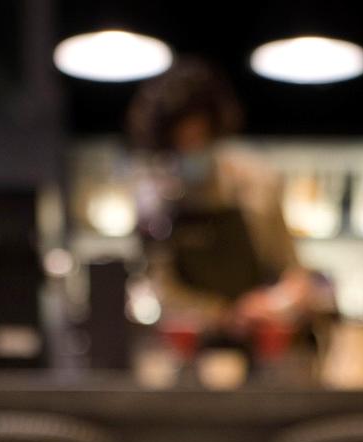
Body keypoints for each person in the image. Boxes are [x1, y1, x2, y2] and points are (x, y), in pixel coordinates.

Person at [126, 57, 330, 335]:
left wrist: (274, 304)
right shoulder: (156, 202)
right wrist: (221, 313)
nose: (192, 149)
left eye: (199, 138)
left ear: (216, 131)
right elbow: (161, 289)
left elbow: (294, 275)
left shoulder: (256, 184)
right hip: (193, 345)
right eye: (181, 143)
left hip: (263, 339)